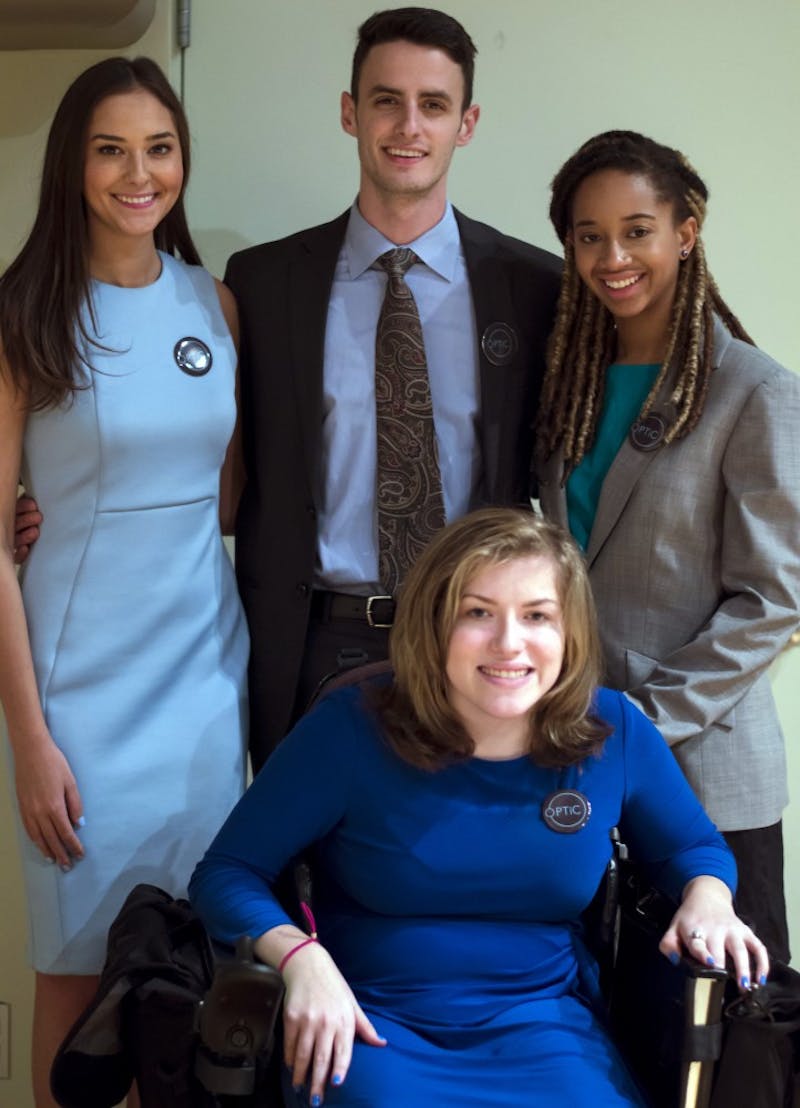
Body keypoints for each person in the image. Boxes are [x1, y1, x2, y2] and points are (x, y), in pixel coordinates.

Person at [190, 507, 766, 1108]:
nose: (509, 643)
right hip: (366, 1019)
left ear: (569, 631)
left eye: (537, 615)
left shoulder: (613, 728)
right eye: (478, 613)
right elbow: (227, 872)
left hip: (547, 1025)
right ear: (434, 625)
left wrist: (711, 897)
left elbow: (693, 848)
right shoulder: (352, 728)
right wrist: (299, 958)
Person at [0, 57, 248, 1106]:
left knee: (187, 980)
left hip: (202, 683)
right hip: (79, 700)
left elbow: (225, 502)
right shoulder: (23, 316)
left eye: (158, 147)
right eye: (110, 148)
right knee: (76, 1001)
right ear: (73, 164)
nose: (137, 173)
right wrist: (30, 741)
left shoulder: (216, 303)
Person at [225, 7, 562, 768]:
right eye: (386, 100)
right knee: (311, 875)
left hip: (478, 642)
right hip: (316, 642)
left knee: (464, 874)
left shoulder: (535, 287)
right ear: (350, 113)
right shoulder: (263, 283)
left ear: (465, 123)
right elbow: (212, 445)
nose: (408, 126)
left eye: (433, 105)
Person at [535, 130, 800, 963]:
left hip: (704, 778)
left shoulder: (754, 391)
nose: (612, 255)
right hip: (575, 763)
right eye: (588, 235)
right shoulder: (566, 384)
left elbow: (774, 599)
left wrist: (639, 729)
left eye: (637, 229)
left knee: (732, 1053)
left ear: (686, 232)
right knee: (609, 1031)